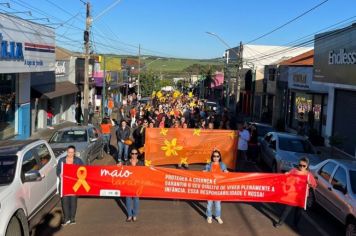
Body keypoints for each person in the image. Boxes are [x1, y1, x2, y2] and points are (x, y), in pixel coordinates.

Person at [274, 157, 317, 229]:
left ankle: (295, 225)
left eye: (304, 166)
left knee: (298, 212)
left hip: (302, 196)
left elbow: (314, 185)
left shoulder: (309, 175)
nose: (302, 167)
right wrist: (286, 174)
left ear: (307, 166)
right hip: (292, 194)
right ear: (298, 164)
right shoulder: (294, 171)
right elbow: (287, 178)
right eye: (300, 165)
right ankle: (280, 222)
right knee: (287, 209)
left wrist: (310, 184)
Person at [56, 145, 84, 226]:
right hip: (64, 184)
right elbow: (58, 170)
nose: (70, 154)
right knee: (64, 202)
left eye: (72, 152)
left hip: (74, 184)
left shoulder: (78, 161)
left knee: (73, 201)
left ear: (74, 152)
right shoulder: (61, 160)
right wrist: (60, 174)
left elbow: (84, 170)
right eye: (69, 152)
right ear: (66, 152)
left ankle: (72, 219)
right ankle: (66, 219)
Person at [203, 149, 228, 224]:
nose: (216, 157)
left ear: (220, 157)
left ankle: (218, 216)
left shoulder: (222, 164)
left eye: (217, 156)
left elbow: (225, 171)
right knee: (209, 204)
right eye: (214, 156)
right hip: (210, 187)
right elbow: (205, 171)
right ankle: (209, 216)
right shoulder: (208, 164)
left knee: (218, 204)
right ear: (212, 157)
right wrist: (204, 172)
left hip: (219, 188)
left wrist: (226, 172)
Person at [119, 148, 143, 222]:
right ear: (130, 154)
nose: (134, 155)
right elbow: (120, 169)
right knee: (128, 200)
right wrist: (118, 165)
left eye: (136, 154)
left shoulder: (141, 163)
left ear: (137, 154)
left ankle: (134, 215)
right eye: (132, 153)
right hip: (128, 184)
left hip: (137, 184)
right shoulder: (126, 163)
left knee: (136, 200)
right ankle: (129, 215)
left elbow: (145, 173)